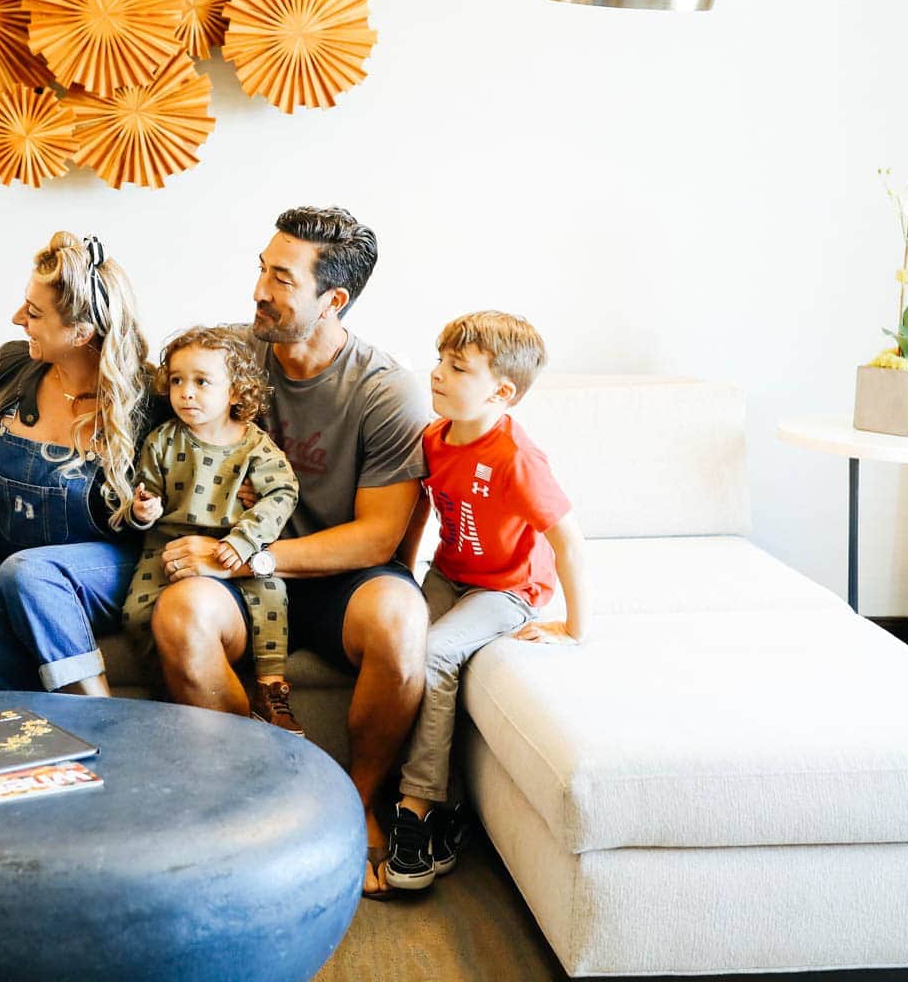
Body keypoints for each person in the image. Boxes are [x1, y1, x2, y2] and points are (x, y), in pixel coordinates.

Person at [149, 206, 432, 897]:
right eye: (262, 269)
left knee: (400, 620)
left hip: (339, 575)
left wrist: (260, 556)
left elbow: (379, 536)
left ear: (333, 300)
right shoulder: (229, 362)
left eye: (281, 278)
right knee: (180, 617)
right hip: (234, 581)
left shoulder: (382, 388)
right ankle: (267, 790)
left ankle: (357, 801)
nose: (260, 290)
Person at [377, 311, 589, 894]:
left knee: (438, 654)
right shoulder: (434, 438)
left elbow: (568, 541)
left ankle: (415, 811)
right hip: (449, 575)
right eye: (440, 360)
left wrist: (574, 627)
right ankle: (448, 811)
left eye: (457, 368)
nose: (438, 374)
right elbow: (422, 511)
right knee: (393, 641)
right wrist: (401, 574)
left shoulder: (515, 456)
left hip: (507, 589)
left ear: (502, 391)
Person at [0, 232, 158, 695]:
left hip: (106, 565)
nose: (17, 318)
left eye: (35, 313)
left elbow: (214, 451)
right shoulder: (9, 366)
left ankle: (100, 722)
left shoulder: (151, 399)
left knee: (31, 572)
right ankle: (38, 747)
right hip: (3, 561)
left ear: (81, 333)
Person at [122, 326, 301, 732]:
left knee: (271, 591)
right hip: (167, 547)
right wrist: (143, 509)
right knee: (135, 614)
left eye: (202, 382)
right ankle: (170, 685)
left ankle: (271, 687)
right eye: (177, 381)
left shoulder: (254, 445)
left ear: (236, 392)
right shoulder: (162, 441)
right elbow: (145, 492)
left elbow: (282, 493)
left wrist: (245, 540)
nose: (186, 392)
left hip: (237, 547)